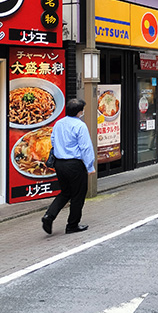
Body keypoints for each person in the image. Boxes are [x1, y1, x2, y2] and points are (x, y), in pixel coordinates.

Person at [42, 99, 95, 235]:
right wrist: (90, 167)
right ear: (79, 112)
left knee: (65, 192)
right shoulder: (80, 126)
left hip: (60, 163)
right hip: (75, 164)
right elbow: (86, 148)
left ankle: (49, 216)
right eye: (82, 110)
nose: (82, 112)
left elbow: (53, 140)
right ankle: (72, 225)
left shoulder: (58, 123)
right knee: (78, 195)